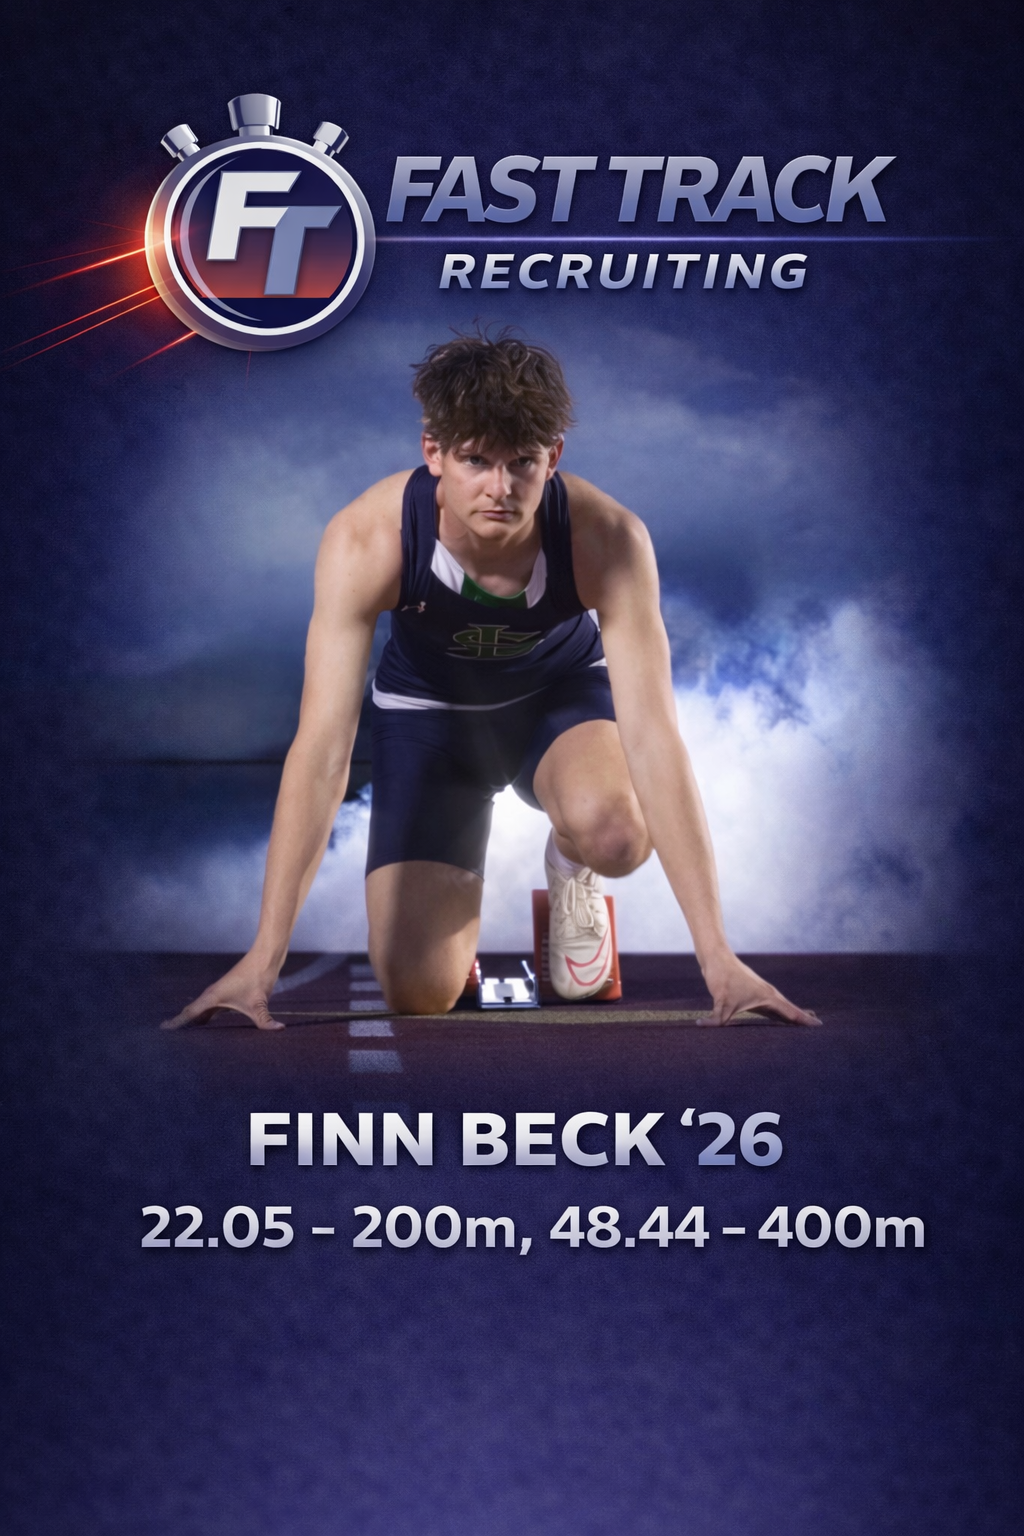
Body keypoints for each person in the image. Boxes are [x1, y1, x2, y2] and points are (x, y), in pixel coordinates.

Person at [163, 332, 817, 1030]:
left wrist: (719, 959)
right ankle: (445, 946)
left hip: (555, 703)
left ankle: (571, 868)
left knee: (620, 837)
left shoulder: (607, 538)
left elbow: (655, 739)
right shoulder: (368, 539)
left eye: (522, 463)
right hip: (429, 721)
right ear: (434, 453)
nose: (500, 489)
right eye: (476, 460)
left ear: (553, 458)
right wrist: (262, 962)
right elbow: (322, 749)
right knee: (417, 992)